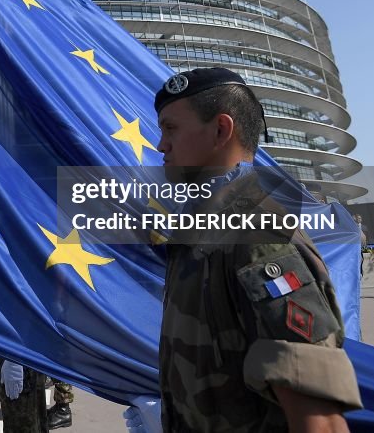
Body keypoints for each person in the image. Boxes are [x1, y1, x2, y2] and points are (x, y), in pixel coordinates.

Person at [153, 67, 362, 432]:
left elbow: (321, 421)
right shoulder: (201, 236)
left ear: (220, 130)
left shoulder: (258, 238)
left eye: (171, 129)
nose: (161, 144)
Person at [0, 357, 48, 433]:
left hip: (18, 357)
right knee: (36, 419)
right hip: (21, 355)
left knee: (22, 424)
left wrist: (14, 360)